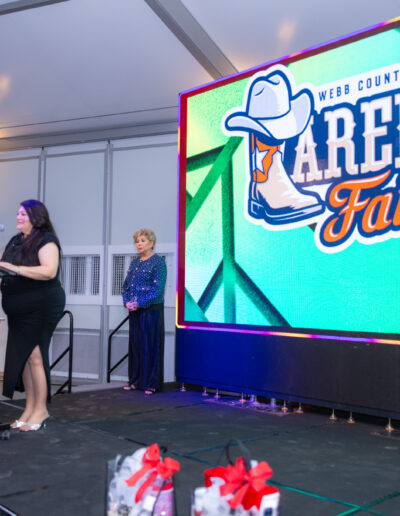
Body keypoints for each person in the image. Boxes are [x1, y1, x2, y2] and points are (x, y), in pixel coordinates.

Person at [0, 200, 65, 432]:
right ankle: (29, 408)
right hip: (19, 310)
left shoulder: (46, 240)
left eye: (23, 214)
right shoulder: (15, 240)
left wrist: (15, 268)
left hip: (41, 306)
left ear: (36, 217)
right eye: (18, 213)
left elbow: (49, 271)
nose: (18, 217)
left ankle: (41, 410)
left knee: (36, 356)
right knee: (25, 357)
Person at [122, 229, 167, 395]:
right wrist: (127, 302)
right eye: (137, 241)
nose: (139, 244)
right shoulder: (135, 262)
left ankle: (151, 383)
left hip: (151, 310)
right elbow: (126, 286)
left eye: (143, 240)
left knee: (150, 346)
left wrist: (139, 303)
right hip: (134, 310)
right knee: (135, 345)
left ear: (151, 243)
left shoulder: (158, 262)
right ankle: (135, 381)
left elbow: (157, 290)